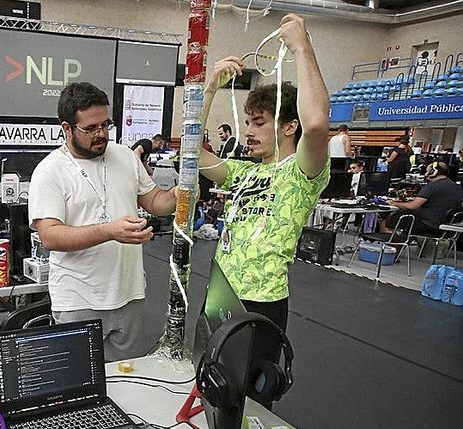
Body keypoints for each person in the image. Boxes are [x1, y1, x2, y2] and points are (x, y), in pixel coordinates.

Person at [198, 14, 330, 331]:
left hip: (263, 302)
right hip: (220, 292)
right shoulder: (241, 172)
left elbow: (315, 124)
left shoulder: (302, 172)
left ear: (288, 126)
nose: (248, 132)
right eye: (247, 123)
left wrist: (302, 48)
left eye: (259, 123)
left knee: (252, 380)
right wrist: (210, 90)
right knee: (208, 377)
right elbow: (191, 154)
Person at [29, 82, 178, 361]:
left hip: (129, 294)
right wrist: (110, 231)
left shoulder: (124, 156)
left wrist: (177, 195)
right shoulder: (49, 171)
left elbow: (156, 202)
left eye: (105, 125)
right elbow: (50, 237)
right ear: (67, 128)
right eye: (91, 128)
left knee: (130, 381)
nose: (101, 134)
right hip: (78, 300)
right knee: (81, 388)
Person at [381, 162, 462, 235]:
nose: (426, 174)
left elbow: (412, 206)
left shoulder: (432, 186)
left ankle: (393, 247)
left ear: (433, 172)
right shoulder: (455, 187)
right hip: (446, 226)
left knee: (389, 219)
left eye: (427, 171)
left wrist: (393, 202)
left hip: (428, 224)